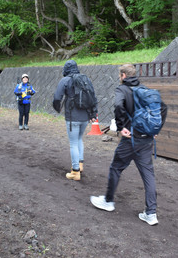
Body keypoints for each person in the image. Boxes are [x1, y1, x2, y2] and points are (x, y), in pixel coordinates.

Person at [90, 64, 167, 226]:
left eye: (120, 75)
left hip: (130, 138)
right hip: (146, 140)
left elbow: (118, 106)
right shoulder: (145, 90)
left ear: (123, 75)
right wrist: (156, 129)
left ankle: (108, 201)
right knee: (148, 174)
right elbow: (163, 107)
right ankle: (151, 213)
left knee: (116, 168)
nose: (120, 77)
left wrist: (121, 127)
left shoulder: (122, 89)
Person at [53, 60, 98, 181]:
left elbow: (57, 97)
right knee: (79, 139)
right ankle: (80, 165)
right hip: (85, 117)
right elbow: (93, 96)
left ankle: (75, 171)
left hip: (72, 117)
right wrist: (93, 114)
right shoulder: (85, 79)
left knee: (73, 143)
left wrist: (57, 109)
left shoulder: (65, 80)